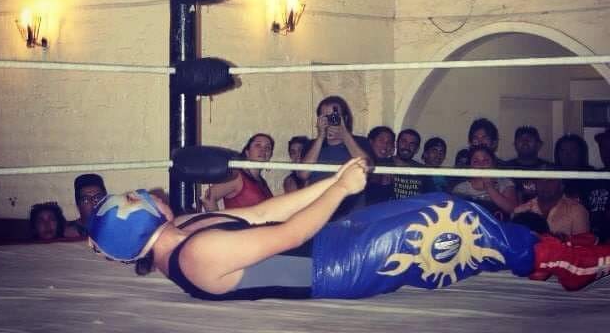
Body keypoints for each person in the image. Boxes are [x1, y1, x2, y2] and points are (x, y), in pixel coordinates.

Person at [88, 160, 610, 300]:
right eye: (142, 199)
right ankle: (562, 262)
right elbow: (289, 236)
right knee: (450, 223)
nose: (152, 193)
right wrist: (338, 191)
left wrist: (332, 181)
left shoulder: (187, 227)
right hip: (333, 269)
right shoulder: (196, 257)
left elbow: (268, 212)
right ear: (141, 221)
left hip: (330, 242)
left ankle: (552, 250)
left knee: (438, 203)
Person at [297, 95, 372, 218]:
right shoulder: (311, 145)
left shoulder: (360, 142)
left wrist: (345, 135)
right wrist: (320, 136)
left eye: (334, 117)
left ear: (345, 119)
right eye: (325, 118)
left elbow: (367, 166)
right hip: (317, 211)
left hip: (350, 211)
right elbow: (303, 174)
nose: (329, 122)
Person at [202, 134, 274, 210]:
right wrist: (219, 217)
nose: (263, 150)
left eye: (268, 147)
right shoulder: (237, 177)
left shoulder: (262, 182)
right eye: (258, 145)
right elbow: (208, 198)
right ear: (247, 152)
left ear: (270, 156)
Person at [512, 168, 590, 239]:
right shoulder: (520, 211)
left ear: (562, 185)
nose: (545, 185)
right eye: (540, 180)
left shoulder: (577, 211)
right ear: (535, 184)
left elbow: (583, 247)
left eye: (550, 180)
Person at [451, 145, 518, 220]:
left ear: (493, 164)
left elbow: (513, 210)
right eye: (476, 161)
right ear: (470, 166)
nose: (481, 165)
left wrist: (489, 187)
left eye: (486, 160)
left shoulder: (504, 183)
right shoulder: (461, 189)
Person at [506, 125, 552, 204]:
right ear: (515, 145)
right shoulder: (505, 168)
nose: (525, 142)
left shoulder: (550, 169)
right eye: (521, 139)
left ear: (539, 145)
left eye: (529, 139)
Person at [65, 173, 107, 237]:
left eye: (98, 198)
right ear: (78, 205)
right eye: (86, 200)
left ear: (106, 200)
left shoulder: (117, 225)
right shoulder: (67, 233)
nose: (93, 203)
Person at [364, 126, 396, 205]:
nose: (385, 145)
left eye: (389, 142)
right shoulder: (362, 161)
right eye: (381, 140)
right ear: (371, 142)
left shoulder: (390, 165)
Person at [392, 129, 425, 199]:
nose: (407, 147)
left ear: (417, 149)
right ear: (396, 144)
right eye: (404, 142)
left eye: (412, 144)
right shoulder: (383, 165)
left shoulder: (423, 171)